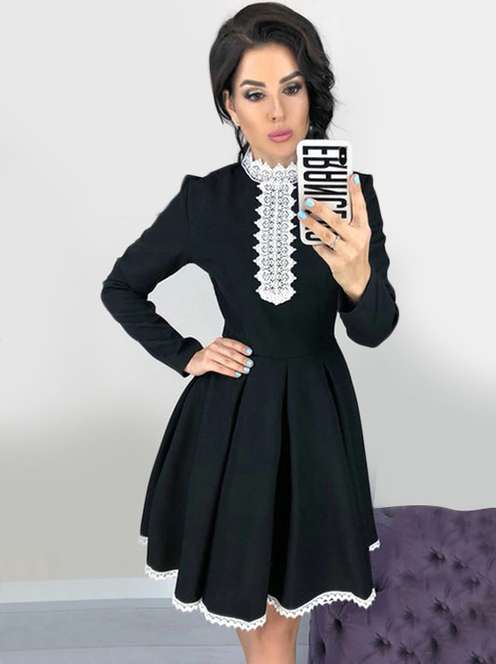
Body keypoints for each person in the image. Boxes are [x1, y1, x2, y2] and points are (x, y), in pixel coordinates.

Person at [100, 3, 399, 662]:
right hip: (233, 418)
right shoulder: (203, 201)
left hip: (315, 417)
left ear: (311, 92)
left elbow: (375, 330)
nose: (278, 111)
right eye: (255, 94)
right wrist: (187, 355)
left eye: (292, 87)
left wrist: (356, 275)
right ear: (229, 106)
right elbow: (121, 287)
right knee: (255, 613)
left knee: (279, 624)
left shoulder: (352, 193)